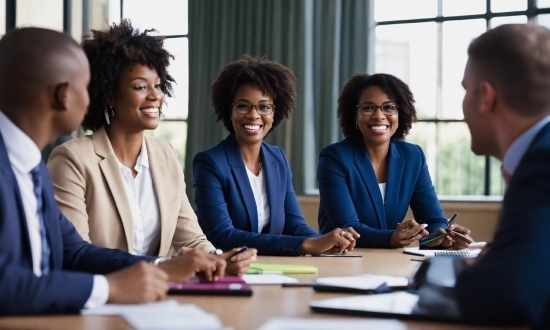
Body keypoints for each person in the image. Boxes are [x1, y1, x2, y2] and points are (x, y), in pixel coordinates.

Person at [0, 27, 225, 315]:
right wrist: (111, 288)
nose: (90, 97)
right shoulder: (55, 160)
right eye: (86, 86)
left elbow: (76, 252)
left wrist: (161, 267)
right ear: (64, 95)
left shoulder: (32, 169)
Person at [46, 20, 255, 276]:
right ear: (109, 94)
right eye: (140, 87)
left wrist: (217, 259)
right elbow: (76, 254)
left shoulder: (165, 154)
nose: (156, 96)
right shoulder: (72, 159)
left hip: (156, 297)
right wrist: (162, 266)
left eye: (157, 85)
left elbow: (191, 240)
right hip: (102, 300)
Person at [193, 55, 359, 256]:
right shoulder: (210, 163)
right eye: (243, 105)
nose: (254, 115)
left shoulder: (277, 158)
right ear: (230, 111)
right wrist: (305, 245)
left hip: (272, 267)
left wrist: (329, 240)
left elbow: (295, 225)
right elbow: (222, 235)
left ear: (274, 113)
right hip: (225, 268)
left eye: (264, 107)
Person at [454, 24, 550, 328]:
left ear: (485, 96)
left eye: (466, 90)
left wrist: (463, 268)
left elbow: (505, 296)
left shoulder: (542, 161)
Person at [317, 73, 472, 249]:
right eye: (368, 108)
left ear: (400, 113)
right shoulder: (334, 158)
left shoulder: (413, 156)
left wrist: (443, 235)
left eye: (388, 107)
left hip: (391, 262)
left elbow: (433, 218)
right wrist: (391, 237)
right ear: (355, 115)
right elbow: (348, 228)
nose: (379, 116)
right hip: (343, 259)